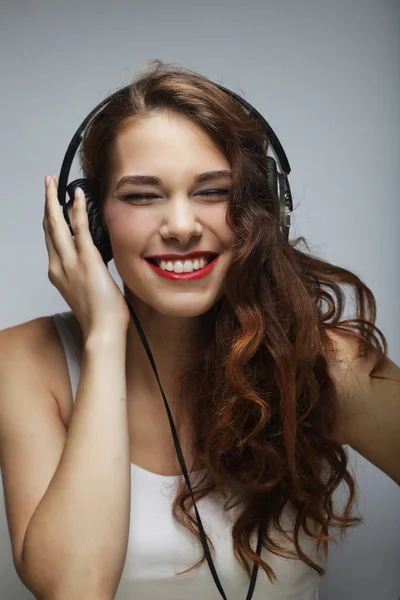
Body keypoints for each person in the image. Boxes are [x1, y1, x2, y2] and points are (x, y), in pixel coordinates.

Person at [0, 60, 399, 600]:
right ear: (91, 221)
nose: (183, 227)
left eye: (212, 191)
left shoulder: (323, 361)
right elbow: (74, 589)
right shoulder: (23, 361)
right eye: (142, 195)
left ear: (261, 212)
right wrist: (103, 337)